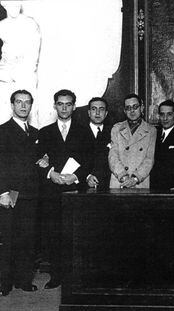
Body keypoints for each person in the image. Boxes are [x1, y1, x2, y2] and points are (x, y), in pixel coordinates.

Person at [37, 89, 89, 289]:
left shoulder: (84, 131)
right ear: (55, 106)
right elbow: (38, 160)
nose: (64, 107)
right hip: (52, 191)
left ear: (74, 106)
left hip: (76, 191)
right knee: (54, 234)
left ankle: (75, 277)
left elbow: (89, 159)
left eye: (68, 104)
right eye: (60, 104)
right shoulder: (45, 132)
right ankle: (56, 276)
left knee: (76, 234)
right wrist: (52, 174)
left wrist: (75, 176)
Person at [0, 90, 40, 295]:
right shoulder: (3, 131)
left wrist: (44, 161)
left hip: (30, 195)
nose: (23, 106)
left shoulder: (35, 133)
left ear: (31, 106)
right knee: (7, 239)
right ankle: (4, 284)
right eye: (19, 102)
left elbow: (37, 161)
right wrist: (2, 192)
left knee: (27, 239)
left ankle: (24, 280)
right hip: (10, 194)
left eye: (27, 103)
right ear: (12, 105)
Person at [0, 1, 41, 125]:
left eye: (17, 3)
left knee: (29, 113)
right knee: (4, 113)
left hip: (25, 74)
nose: (14, 7)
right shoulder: (1, 25)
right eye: (10, 4)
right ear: (4, 5)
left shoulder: (30, 23)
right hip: (5, 74)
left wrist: (20, 73)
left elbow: (33, 53)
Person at [108, 94, 156, 188]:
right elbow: (113, 156)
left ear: (142, 108)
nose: (132, 111)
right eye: (128, 108)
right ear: (124, 111)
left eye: (135, 107)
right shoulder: (116, 128)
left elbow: (149, 159)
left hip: (140, 182)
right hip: (119, 181)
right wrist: (123, 176)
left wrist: (135, 178)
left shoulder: (151, 130)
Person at [84, 97, 111, 189]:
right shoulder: (79, 132)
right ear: (88, 112)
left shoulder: (113, 132)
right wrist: (87, 176)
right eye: (94, 109)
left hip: (108, 185)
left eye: (101, 109)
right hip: (83, 185)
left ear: (106, 113)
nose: (98, 113)